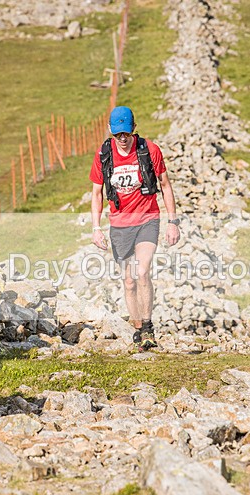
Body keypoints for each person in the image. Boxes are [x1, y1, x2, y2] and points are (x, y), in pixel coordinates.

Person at [90, 106, 181, 351]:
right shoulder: (104, 154)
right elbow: (97, 193)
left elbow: (166, 186)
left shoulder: (150, 151)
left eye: (126, 134)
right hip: (119, 225)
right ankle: (138, 329)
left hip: (147, 219)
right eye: (117, 134)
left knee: (142, 272)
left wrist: (173, 222)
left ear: (134, 130)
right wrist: (96, 228)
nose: (122, 139)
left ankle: (149, 327)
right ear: (110, 131)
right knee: (128, 281)